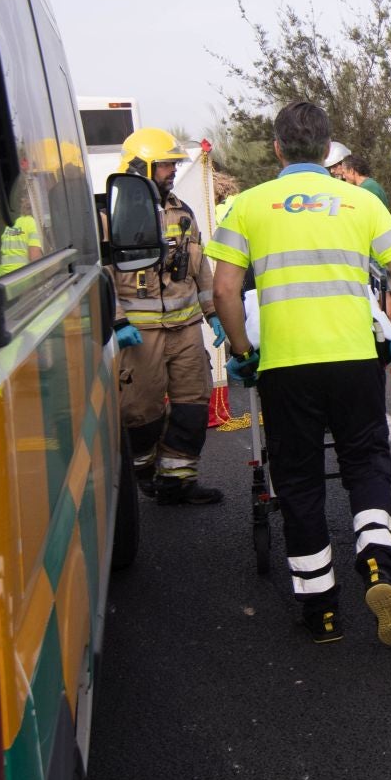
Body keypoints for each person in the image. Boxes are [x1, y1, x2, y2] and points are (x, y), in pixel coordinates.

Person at [207, 102, 391, 645]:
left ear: (277, 148)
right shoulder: (360, 200)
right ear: (328, 150)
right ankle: (376, 562)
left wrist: (242, 352)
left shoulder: (247, 205)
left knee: (299, 481)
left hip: (286, 366)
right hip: (354, 359)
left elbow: (225, 290)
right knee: (366, 460)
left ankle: (322, 610)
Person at [112, 127, 222, 506]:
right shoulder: (110, 217)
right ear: (140, 167)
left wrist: (213, 313)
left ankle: (177, 482)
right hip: (139, 335)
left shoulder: (182, 211)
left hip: (185, 330)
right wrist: (117, 321)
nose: (173, 170)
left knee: (193, 406)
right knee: (140, 414)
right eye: (165, 164)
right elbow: (102, 275)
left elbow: (200, 267)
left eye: (174, 164)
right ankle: (141, 474)